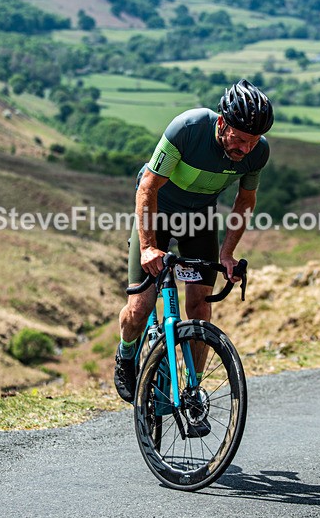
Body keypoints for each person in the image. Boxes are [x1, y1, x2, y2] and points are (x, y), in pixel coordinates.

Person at [114, 78, 274, 404]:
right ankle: (126, 354)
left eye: (253, 142)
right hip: (158, 212)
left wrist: (227, 254)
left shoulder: (258, 153)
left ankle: (193, 389)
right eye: (239, 139)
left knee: (200, 309)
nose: (245, 149)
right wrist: (147, 247)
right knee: (140, 307)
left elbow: (245, 201)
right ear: (221, 123)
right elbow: (148, 187)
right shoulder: (187, 129)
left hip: (198, 220)